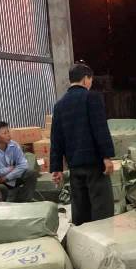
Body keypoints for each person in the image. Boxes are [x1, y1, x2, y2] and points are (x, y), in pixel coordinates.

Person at [50, 63, 115, 226]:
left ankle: (82, 237)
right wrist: (107, 156)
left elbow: (56, 138)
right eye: (90, 80)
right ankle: (102, 238)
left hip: (74, 165)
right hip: (95, 163)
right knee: (101, 206)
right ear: (86, 79)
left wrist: (56, 168)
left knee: (80, 206)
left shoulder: (59, 105)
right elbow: (100, 129)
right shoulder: (92, 97)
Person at [0, 121, 38, 203]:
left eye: (8, 131)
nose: (9, 135)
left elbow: (23, 164)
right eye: (5, 133)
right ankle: (0, 201)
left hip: (11, 176)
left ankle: (25, 200)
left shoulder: (14, 145)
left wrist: (7, 177)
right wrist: (6, 170)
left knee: (31, 173)